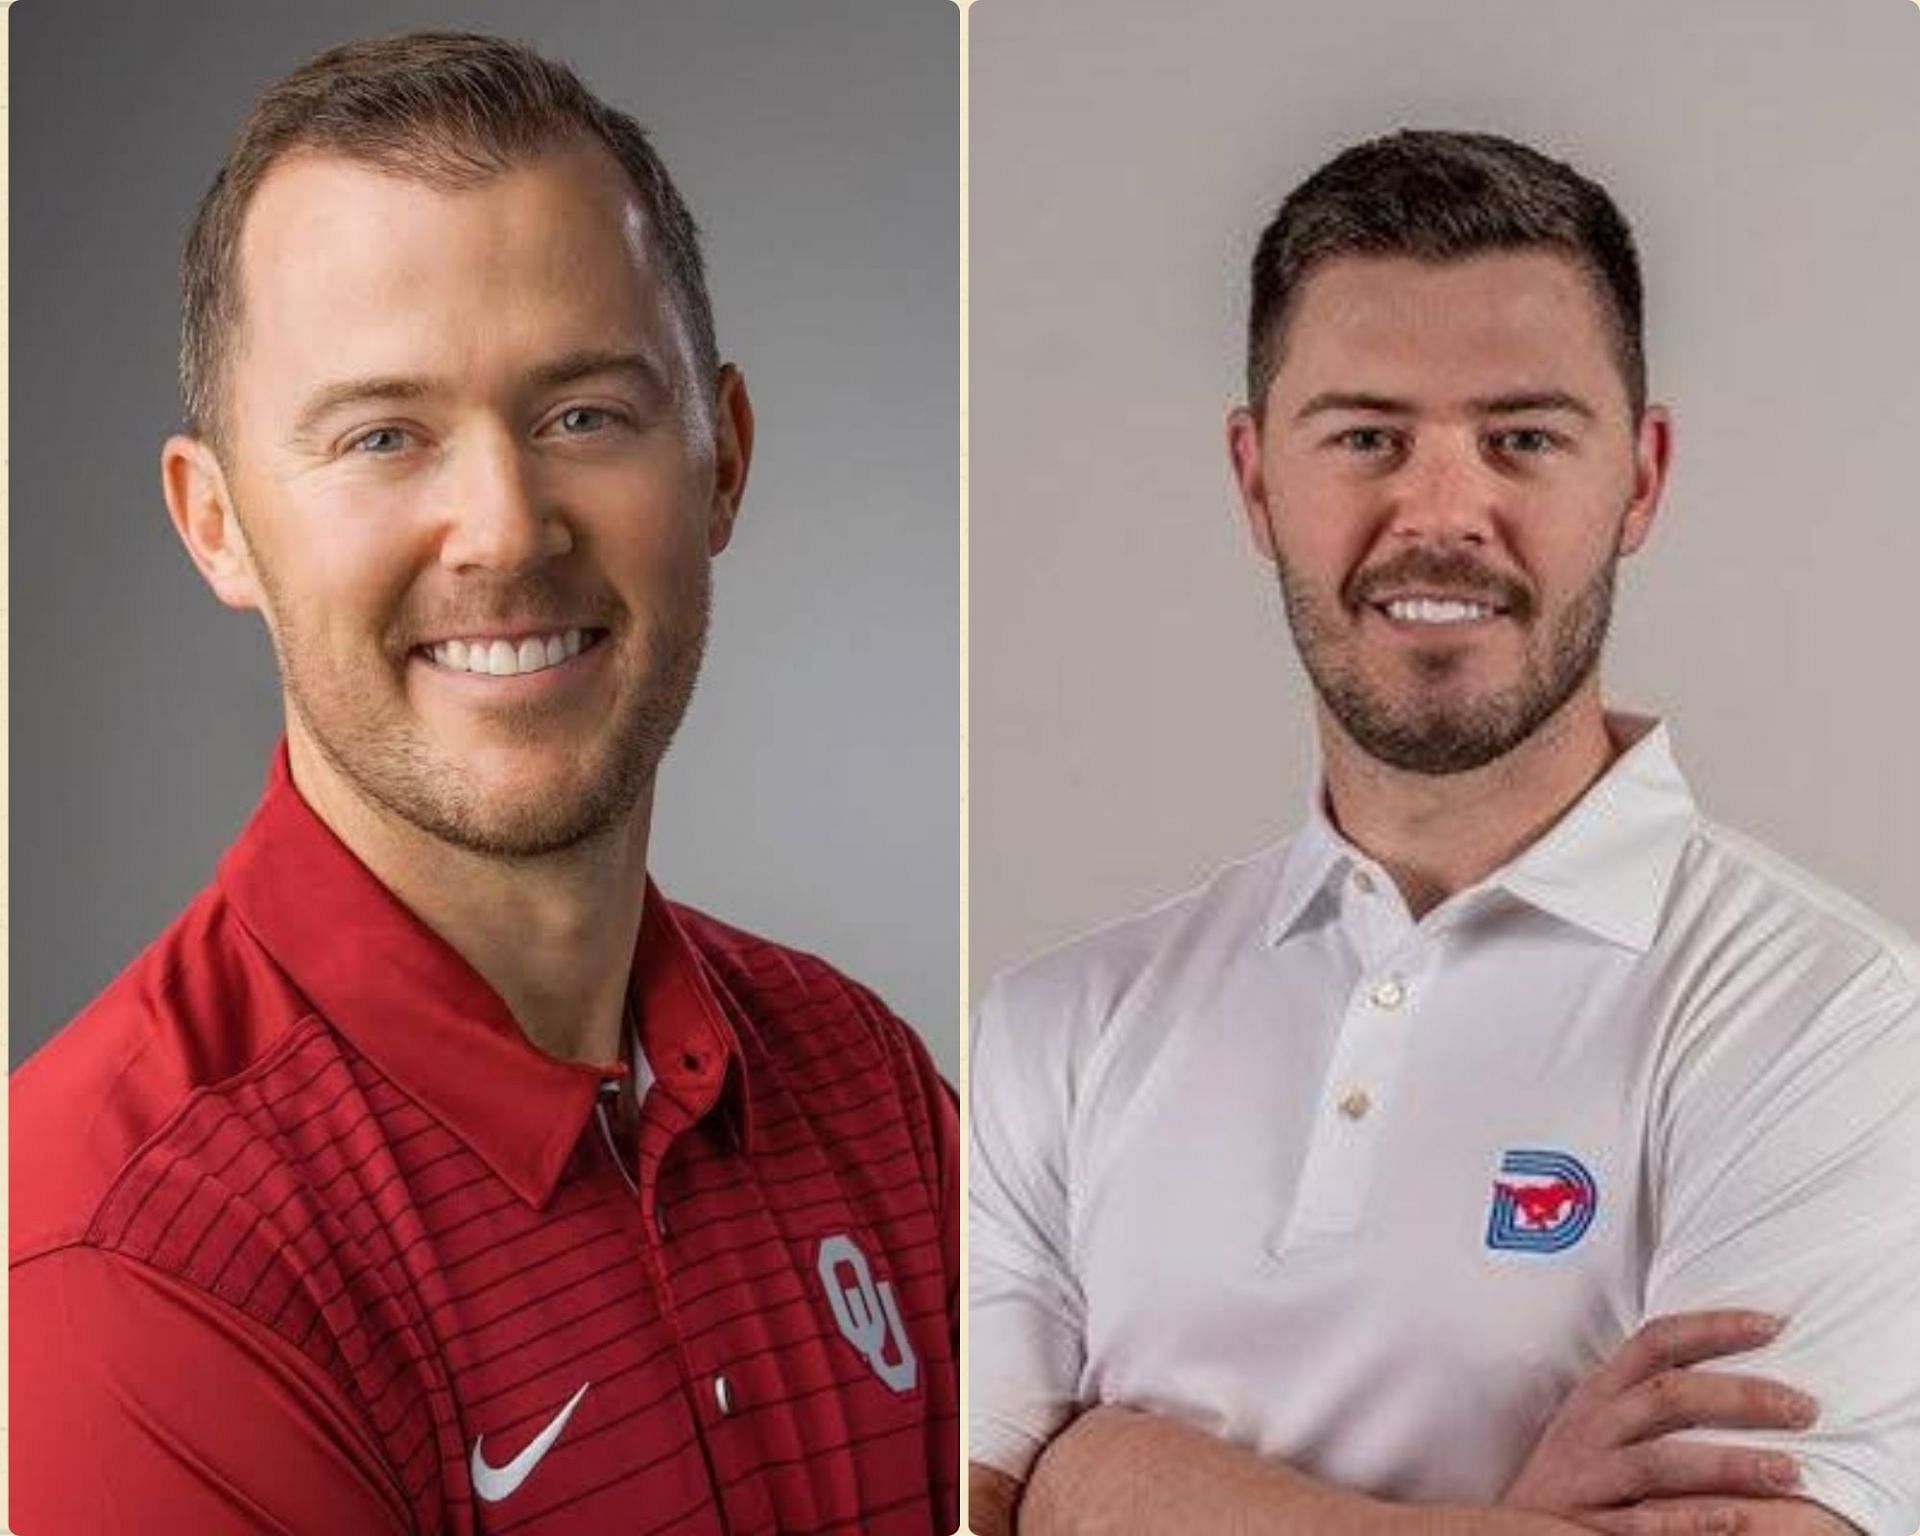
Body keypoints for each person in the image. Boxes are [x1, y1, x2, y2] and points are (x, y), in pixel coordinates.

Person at [9, 31, 957, 1535]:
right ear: (218, 527)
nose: (505, 532)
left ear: (722, 464)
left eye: (585, 414)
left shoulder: (873, 1090)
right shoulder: (120, 1261)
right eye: (383, 436)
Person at [968, 130, 1920, 1536]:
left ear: (1641, 480)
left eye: (1522, 438)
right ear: (1255, 482)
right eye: (1366, 437)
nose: (1439, 513)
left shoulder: (1830, 1024)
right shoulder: (1058, 1027)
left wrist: (1108, 1479)